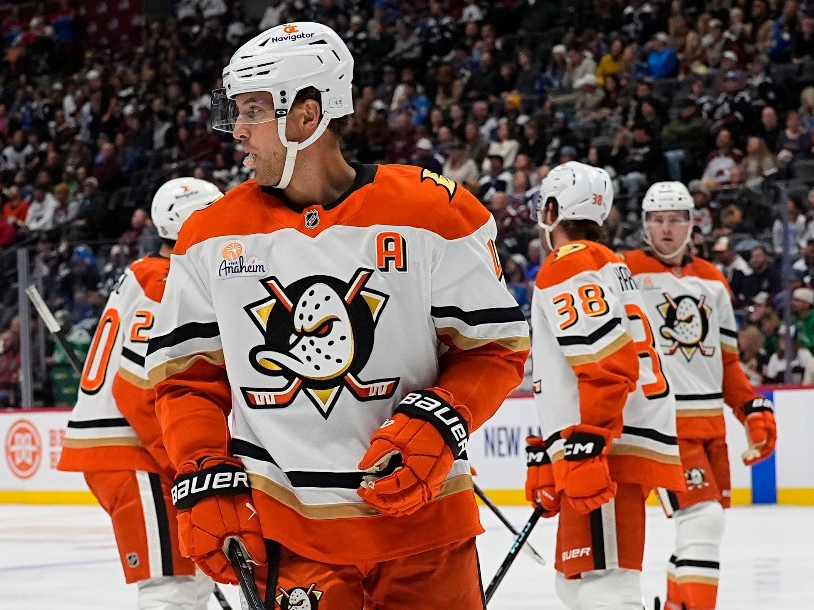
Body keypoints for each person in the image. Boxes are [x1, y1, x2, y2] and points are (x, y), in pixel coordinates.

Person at [146, 22, 529, 608]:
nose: (237, 131)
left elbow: (494, 347)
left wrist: (442, 419)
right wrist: (203, 471)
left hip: (424, 527)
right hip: (290, 536)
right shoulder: (208, 235)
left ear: (307, 116)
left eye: (252, 110)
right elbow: (186, 380)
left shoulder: (432, 213)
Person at [56, 177, 224, 609]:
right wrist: (188, 464)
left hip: (135, 450)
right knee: (171, 590)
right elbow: (136, 390)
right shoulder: (164, 283)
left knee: (195, 577)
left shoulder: (154, 273)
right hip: (134, 453)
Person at [525, 162, 685, 609]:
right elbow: (578, 367)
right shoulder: (608, 264)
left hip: (607, 447)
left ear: (553, 209)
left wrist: (589, 440)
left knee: (606, 587)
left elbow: (606, 363)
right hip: (608, 438)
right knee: (575, 582)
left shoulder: (567, 264)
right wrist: (549, 449)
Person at [622, 182, 778, 610]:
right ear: (644, 225)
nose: (666, 229)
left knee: (705, 527)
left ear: (693, 223)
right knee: (702, 520)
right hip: (665, 424)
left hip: (710, 425)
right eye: (657, 219)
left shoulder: (712, 279)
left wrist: (750, 408)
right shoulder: (625, 271)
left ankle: (676, 604)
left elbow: (728, 361)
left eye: (675, 219)